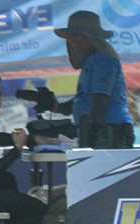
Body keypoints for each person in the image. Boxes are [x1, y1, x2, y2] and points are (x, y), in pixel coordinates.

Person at [52, 11, 134, 149]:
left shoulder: (104, 59)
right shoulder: (91, 60)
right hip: (101, 128)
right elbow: (86, 98)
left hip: (111, 130)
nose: (73, 43)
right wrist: (58, 107)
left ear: (91, 38)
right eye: (70, 38)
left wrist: (93, 135)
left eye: (77, 38)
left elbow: (100, 100)